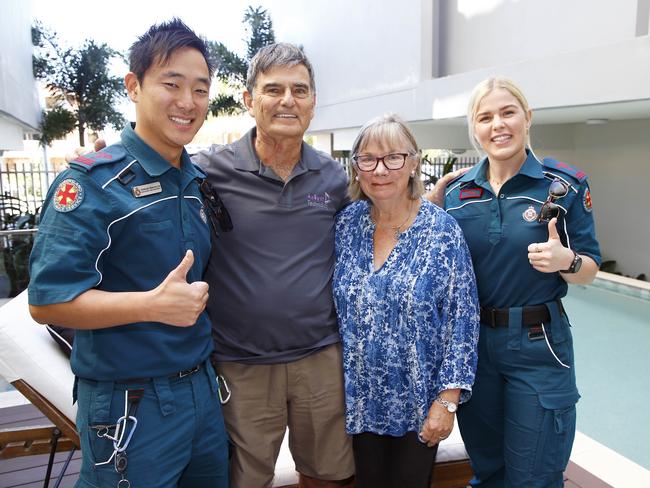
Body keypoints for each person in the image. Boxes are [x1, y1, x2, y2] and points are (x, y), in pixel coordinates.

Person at [28, 19, 229, 488]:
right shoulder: (91, 184)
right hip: (131, 403)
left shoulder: (196, 181)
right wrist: (151, 306)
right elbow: (46, 302)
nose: (188, 102)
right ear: (134, 87)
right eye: (172, 84)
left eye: (200, 89)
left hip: (202, 392)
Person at [192, 43, 355, 488]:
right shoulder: (207, 173)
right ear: (249, 100)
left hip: (320, 357)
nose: (288, 100)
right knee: (242, 480)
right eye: (274, 89)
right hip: (240, 363)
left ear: (313, 102)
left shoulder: (334, 178)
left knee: (328, 475)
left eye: (299, 90)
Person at [440, 77, 601, 487]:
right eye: (485, 117)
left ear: (527, 118)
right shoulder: (457, 193)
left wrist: (568, 261)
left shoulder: (562, 185)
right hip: (475, 349)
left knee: (535, 476)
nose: (498, 125)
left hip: (538, 344)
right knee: (488, 470)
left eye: (508, 112)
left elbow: (590, 268)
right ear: (475, 129)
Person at [331, 114, 480, 488]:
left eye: (393, 158)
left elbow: (463, 322)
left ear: (413, 163)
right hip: (359, 403)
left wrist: (446, 403)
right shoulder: (347, 225)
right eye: (368, 159)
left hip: (418, 406)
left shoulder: (442, 231)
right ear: (356, 168)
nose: (380, 169)